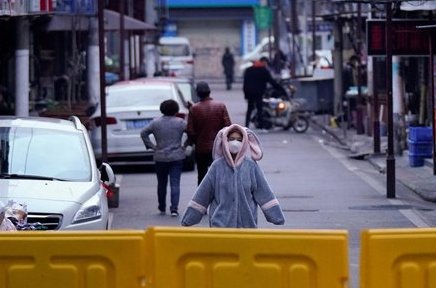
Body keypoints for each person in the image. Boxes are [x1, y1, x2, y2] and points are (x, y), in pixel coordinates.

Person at [181, 124, 285, 228]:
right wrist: (189, 219)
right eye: (232, 139)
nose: (235, 142)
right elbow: (203, 194)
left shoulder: (251, 167)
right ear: (226, 141)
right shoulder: (217, 167)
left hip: (246, 225)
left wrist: (276, 216)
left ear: (244, 142)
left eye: (239, 139)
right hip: (220, 225)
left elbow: (264, 192)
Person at [140, 99, 187, 217]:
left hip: (160, 156)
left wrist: (151, 146)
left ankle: (162, 207)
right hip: (177, 156)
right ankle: (174, 209)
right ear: (176, 109)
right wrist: (185, 145)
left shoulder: (155, 123)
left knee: (161, 183)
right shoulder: (181, 122)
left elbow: (143, 133)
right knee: (175, 183)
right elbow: (192, 133)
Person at [187, 81, 231, 185]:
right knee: (219, 175)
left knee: (202, 176)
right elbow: (228, 126)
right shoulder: (220, 106)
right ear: (209, 92)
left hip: (201, 148)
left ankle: (202, 199)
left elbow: (190, 130)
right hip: (218, 148)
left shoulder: (194, 108)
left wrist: (194, 142)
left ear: (197, 94)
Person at [243, 56, 286, 130]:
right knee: (259, 109)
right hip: (259, 93)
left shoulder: (248, 70)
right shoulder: (263, 70)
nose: (266, 65)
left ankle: (246, 125)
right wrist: (281, 89)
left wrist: (246, 94)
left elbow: (245, 83)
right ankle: (261, 126)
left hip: (250, 93)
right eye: (266, 63)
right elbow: (272, 82)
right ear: (263, 62)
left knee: (249, 109)